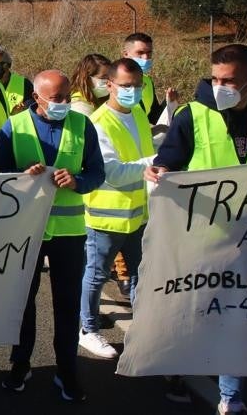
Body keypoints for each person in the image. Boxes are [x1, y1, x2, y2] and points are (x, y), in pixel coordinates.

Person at [148, 44, 247, 415]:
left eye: (229, 81)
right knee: (193, 315)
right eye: (215, 79)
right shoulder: (190, 116)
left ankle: (231, 397)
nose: (219, 86)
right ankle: (177, 368)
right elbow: (169, 163)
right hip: (198, 240)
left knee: (238, 317)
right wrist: (159, 172)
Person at [0, 70, 105, 402]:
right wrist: (23, 177)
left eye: (66, 97)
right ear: (37, 98)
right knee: (22, 303)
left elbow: (97, 172)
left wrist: (77, 181)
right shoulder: (13, 127)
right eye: (56, 98)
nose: (63, 104)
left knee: (67, 306)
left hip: (69, 234)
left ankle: (67, 371)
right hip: (27, 232)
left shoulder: (82, 126)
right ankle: (20, 363)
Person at [77, 57, 153, 362]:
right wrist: (156, 163)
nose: (131, 91)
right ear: (109, 85)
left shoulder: (138, 115)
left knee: (140, 274)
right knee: (95, 275)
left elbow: (145, 153)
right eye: (125, 86)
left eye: (137, 86)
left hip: (138, 214)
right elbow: (114, 172)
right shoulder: (98, 122)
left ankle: (144, 330)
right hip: (106, 217)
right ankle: (88, 329)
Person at [123, 32, 179, 125]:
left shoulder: (148, 81)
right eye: (140, 53)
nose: (145, 58)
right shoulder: (114, 82)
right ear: (125, 54)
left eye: (149, 53)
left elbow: (153, 117)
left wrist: (168, 102)